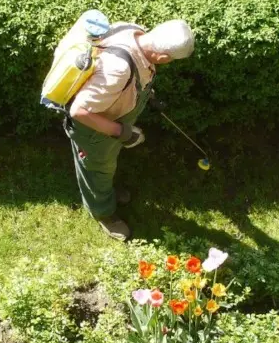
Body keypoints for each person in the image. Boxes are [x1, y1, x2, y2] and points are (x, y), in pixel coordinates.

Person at [62, 19, 194, 241]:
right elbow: (79, 111)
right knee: (97, 170)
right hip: (95, 132)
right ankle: (103, 212)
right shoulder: (118, 70)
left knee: (107, 165)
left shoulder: (133, 31)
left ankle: (107, 193)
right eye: (169, 60)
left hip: (110, 123)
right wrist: (123, 133)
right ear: (162, 57)